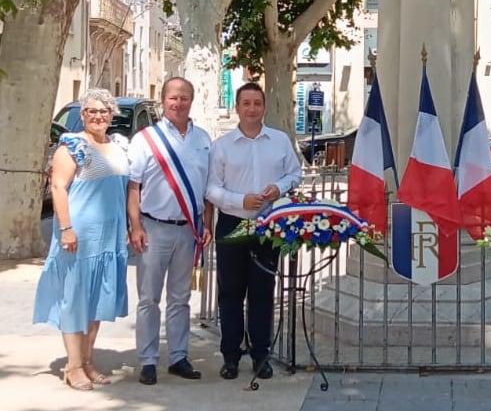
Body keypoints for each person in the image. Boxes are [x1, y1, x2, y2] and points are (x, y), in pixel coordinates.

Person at [33, 88, 130, 390]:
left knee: (96, 301)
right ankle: (72, 365)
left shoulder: (117, 146)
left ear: (112, 115)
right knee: (74, 299)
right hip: (78, 236)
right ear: (83, 115)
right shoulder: (72, 146)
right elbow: (59, 188)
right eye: (91, 111)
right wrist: (65, 228)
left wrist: (127, 225)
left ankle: (88, 361)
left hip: (109, 237)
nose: (98, 116)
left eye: (104, 111)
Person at [207, 82, 302, 380]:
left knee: (263, 293)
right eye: (245, 103)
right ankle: (231, 356)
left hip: (268, 226)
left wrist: (280, 187)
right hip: (233, 223)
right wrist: (239, 200)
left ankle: (262, 355)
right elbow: (211, 188)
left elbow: (295, 173)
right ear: (237, 108)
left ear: (264, 107)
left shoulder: (279, 140)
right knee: (231, 293)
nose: (251, 109)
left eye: (256, 103)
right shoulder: (222, 146)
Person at [127, 77, 213, 385]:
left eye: (184, 98)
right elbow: (133, 186)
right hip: (154, 229)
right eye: (173, 98)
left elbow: (207, 190)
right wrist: (135, 226)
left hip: (188, 230)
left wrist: (207, 224)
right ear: (163, 100)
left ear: (191, 101)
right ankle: (148, 360)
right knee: (149, 298)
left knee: (180, 298)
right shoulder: (146, 139)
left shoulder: (203, 138)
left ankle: (178, 356)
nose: (178, 103)